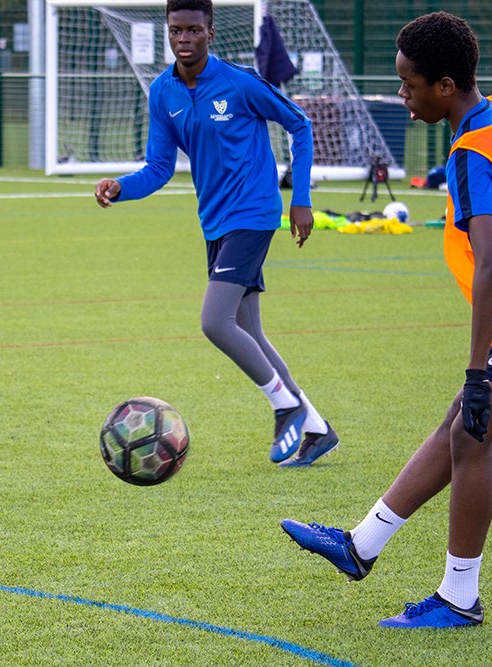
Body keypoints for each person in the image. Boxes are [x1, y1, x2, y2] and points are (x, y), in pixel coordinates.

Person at [280, 12, 492, 629]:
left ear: (444, 86)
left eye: (409, 85)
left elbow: (491, 264)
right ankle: (361, 546)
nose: (404, 98)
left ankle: (459, 598)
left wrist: (475, 371)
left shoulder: (469, 155)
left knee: (472, 435)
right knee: (460, 430)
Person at [94, 0, 337, 466]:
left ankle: (284, 406)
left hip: (254, 214)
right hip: (216, 222)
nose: (183, 39)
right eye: (175, 31)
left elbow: (300, 124)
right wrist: (120, 187)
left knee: (214, 321)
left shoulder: (240, 82)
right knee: (250, 332)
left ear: (210, 31)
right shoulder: (163, 92)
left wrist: (300, 197)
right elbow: (160, 167)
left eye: (192, 30)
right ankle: (316, 428)